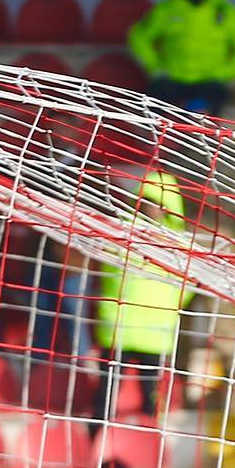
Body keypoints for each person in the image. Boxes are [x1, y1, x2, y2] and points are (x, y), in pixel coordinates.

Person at [92, 170, 191, 429]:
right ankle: (97, 450)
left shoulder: (180, 243)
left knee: (150, 400)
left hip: (155, 334)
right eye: (146, 200)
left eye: (157, 203)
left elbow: (189, 287)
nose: (151, 208)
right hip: (119, 328)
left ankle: (145, 448)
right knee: (105, 399)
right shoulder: (121, 231)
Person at [128, 0, 235, 116]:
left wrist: (227, 71)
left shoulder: (226, 11)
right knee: (152, 113)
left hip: (210, 81)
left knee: (211, 113)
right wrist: (155, 66)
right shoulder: (168, 8)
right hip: (171, 79)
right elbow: (139, 37)